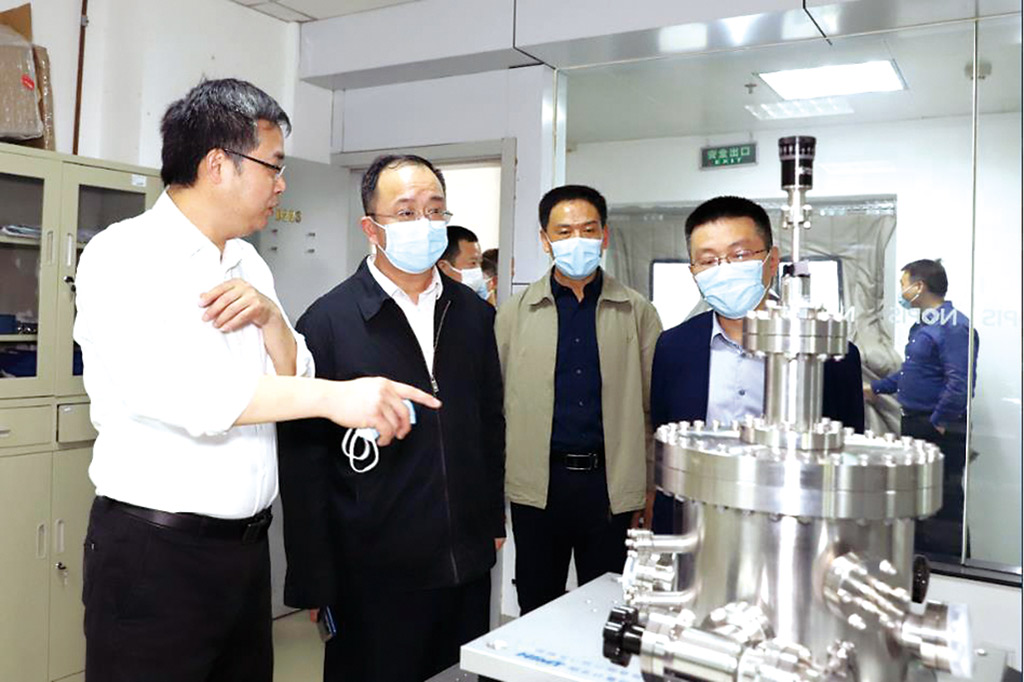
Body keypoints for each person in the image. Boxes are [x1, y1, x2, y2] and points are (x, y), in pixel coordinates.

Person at [73, 79, 436, 682]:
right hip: (156, 554)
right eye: (274, 165)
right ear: (218, 165)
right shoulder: (124, 255)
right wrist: (336, 397)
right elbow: (189, 395)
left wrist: (271, 320)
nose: (282, 183)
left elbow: (295, 372)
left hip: (244, 553)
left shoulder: (247, 260)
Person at [277, 154, 505, 682]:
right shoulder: (328, 322)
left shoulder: (473, 315)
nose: (424, 223)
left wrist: (491, 519)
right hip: (372, 572)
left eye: (435, 210)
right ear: (370, 228)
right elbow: (304, 460)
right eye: (405, 212)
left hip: (464, 562)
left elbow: (489, 423)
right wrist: (312, 575)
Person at [650, 196, 865, 532]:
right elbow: (665, 440)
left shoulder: (829, 354)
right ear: (693, 272)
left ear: (772, 260)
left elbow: (848, 455)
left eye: (739, 255)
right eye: (707, 260)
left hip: (793, 528)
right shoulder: (673, 348)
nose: (724, 269)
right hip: (695, 526)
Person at [495, 184, 662, 614]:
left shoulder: (637, 311)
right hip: (538, 488)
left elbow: (652, 409)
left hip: (610, 488)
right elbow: (495, 409)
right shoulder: (515, 313)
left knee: (605, 608)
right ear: (545, 239)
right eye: (564, 231)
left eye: (588, 230)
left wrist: (648, 488)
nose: (577, 241)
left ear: (604, 236)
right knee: (536, 603)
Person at [866, 258, 979, 559]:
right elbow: (912, 373)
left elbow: (960, 383)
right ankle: (922, 563)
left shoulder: (953, 326)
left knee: (944, 503)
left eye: (903, 285)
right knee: (919, 501)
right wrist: (876, 388)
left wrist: (939, 422)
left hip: (937, 428)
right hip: (916, 424)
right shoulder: (924, 325)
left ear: (919, 286)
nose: (902, 292)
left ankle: (951, 567)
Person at [437, 224, 489, 299]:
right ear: (443, 266)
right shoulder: (427, 302)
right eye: (473, 263)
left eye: (480, 263)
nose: (478, 270)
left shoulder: (478, 303)